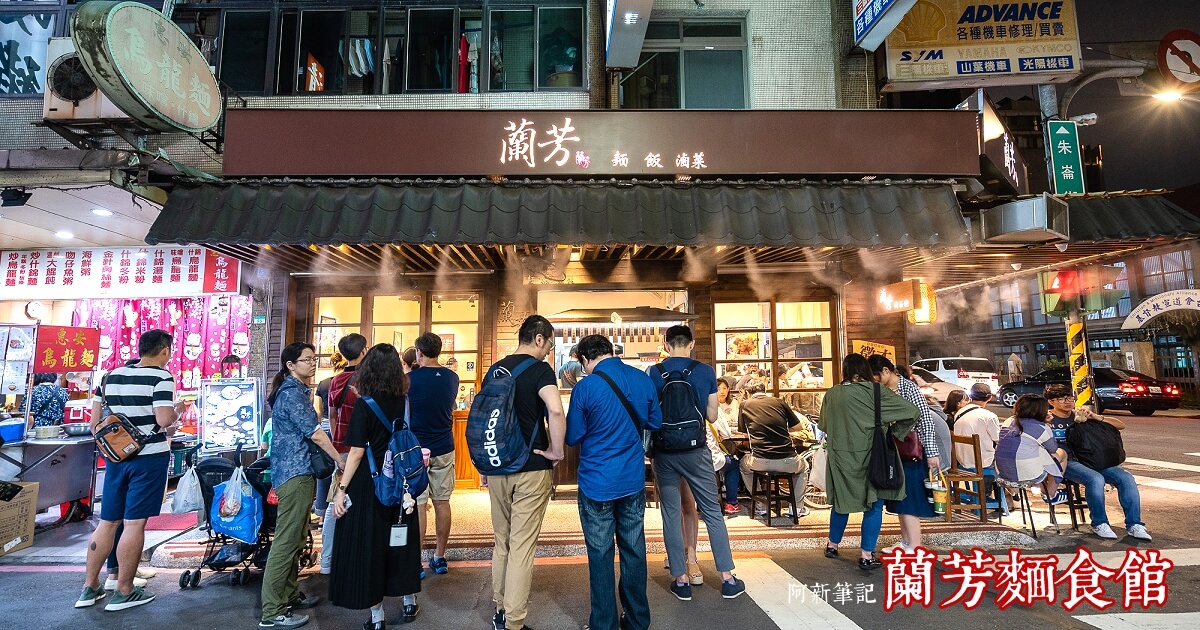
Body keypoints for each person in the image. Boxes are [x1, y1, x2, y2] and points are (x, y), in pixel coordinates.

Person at [78, 330, 186, 611]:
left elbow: (95, 423)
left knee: (108, 522)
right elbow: (163, 419)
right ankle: (124, 590)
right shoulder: (161, 377)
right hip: (148, 459)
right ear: (164, 350)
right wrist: (178, 409)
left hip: (116, 457)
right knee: (135, 523)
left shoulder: (110, 376)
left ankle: (89, 588)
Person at [565, 334, 661, 630]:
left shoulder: (585, 387)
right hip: (632, 480)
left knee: (600, 553)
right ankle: (636, 621)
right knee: (634, 550)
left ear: (585, 359)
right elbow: (655, 423)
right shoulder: (642, 378)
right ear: (611, 351)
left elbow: (572, 437)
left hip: (596, 483)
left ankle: (603, 623)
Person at [330, 344, 422, 629]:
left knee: (370, 546)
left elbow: (356, 452)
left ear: (368, 369)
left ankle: (377, 616)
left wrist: (341, 490)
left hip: (370, 485)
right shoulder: (404, 400)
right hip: (401, 483)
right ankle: (408, 601)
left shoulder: (365, 404)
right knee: (401, 540)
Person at [650, 325, 744, 602]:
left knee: (670, 513)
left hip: (664, 453)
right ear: (691, 344)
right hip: (696, 451)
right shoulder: (704, 371)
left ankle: (680, 580)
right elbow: (713, 416)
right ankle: (727, 578)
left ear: (666, 345)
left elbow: (650, 414)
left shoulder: (654, 373)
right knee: (712, 512)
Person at [486, 315, 566, 630]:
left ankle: (500, 611)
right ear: (538, 338)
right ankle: (515, 622)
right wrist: (556, 450)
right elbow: (556, 409)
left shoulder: (495, 369)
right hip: (531, 466)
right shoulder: (540, 370)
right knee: (521, 544)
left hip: (496, 464)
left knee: (502, 540)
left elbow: (487, 418)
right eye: (549, 344)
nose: (549, 351)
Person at [260, 342, 342, 629]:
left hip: (297, 471)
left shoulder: (294, 391)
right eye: (306, 360)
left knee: (295, 538)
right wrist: (339, 460)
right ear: (290, 365)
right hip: (294, 474)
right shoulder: (292, 394)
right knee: (286, 541)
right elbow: (316, 434)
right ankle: (272, 611)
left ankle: (290, 594)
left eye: (313, 358)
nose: (312, 363)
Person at [819, 353, 919, 570]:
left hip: (841, 456)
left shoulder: (832, 394)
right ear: (864, 370)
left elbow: (824, 424)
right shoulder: (876, 391)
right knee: (873, 504)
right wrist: (893, 432)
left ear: (845, 371)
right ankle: (866, 555)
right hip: (872, 455)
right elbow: (911, 412)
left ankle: (832, 545)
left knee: (841, 502)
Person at [1044, 383, 1151, 541]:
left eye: (1070, 398)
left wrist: (1095, 417)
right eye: (1062, 399)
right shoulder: (1047, 418)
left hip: (1092, 459)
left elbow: (1121, 425)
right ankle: (1099, 522)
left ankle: (1135, 524)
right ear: (1051, 401)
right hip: (1067, 462)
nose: (1067, 401)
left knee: (1126, 478)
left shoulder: (1080, 415)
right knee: (1095, 479)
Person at [868, 355, 942, 552]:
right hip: (895, 451)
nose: (875, 380)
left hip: (912, 452)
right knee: (900, 497)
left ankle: (915, 545)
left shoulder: (908, 388)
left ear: (886, 370)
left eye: (876, 376)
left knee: (910, 499)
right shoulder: (884, 390)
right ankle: (906, 542)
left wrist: (932, 452)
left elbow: (925, 419)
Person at [407, 332, 459, 576]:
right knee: (442, 501)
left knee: (418, 503)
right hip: (444, 445)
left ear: (419, 352)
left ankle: (414, 560)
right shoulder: (452, 377)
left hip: (417, 447)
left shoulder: (409, 379)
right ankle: (439, 556)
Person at [323, 333, 368, 575]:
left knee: (336, 500)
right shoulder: (366, 380)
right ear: (363, 351)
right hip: (361, 447)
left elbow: (331, 416)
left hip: (340, 446)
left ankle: (327, 560)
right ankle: (357, 554)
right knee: (359, 498)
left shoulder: (335, 381)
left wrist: (336, 444)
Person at [737, 380, 809, 519]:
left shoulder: (744, 405)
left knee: (742, 464)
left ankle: (761, 506)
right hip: (788, 461)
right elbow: (798, 427)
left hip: (760, 461)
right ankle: (796, 508)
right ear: (765, 391)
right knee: (804, 467)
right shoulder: (779, 402)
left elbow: (745, 434)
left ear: (748, 393)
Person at [995, 394, 1068, 504]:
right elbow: (1052, 448)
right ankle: (1051, 494)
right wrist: (1046, 424)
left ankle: (1045, 491)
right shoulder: (1041, 428)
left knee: (1032, 451)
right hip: (1027, 475)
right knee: (1061, 453)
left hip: (1002, 472)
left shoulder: (1009, 421)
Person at [314, 352, 347, 529]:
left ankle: (320, 516)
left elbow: (319, 411)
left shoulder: (323, 383)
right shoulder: (347, 380)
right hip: (342, 427)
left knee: (325, 472)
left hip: (325, 427)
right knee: (341, 472)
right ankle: (339, 510)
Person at [714, 379, 741, 514]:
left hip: (704, 455)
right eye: (719, 388)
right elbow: (726, 433)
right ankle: (731, 501)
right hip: (717, 452)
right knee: (734, 463)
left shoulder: (733, 403)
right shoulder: (715, 409)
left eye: (725, 388)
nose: (722, 391)